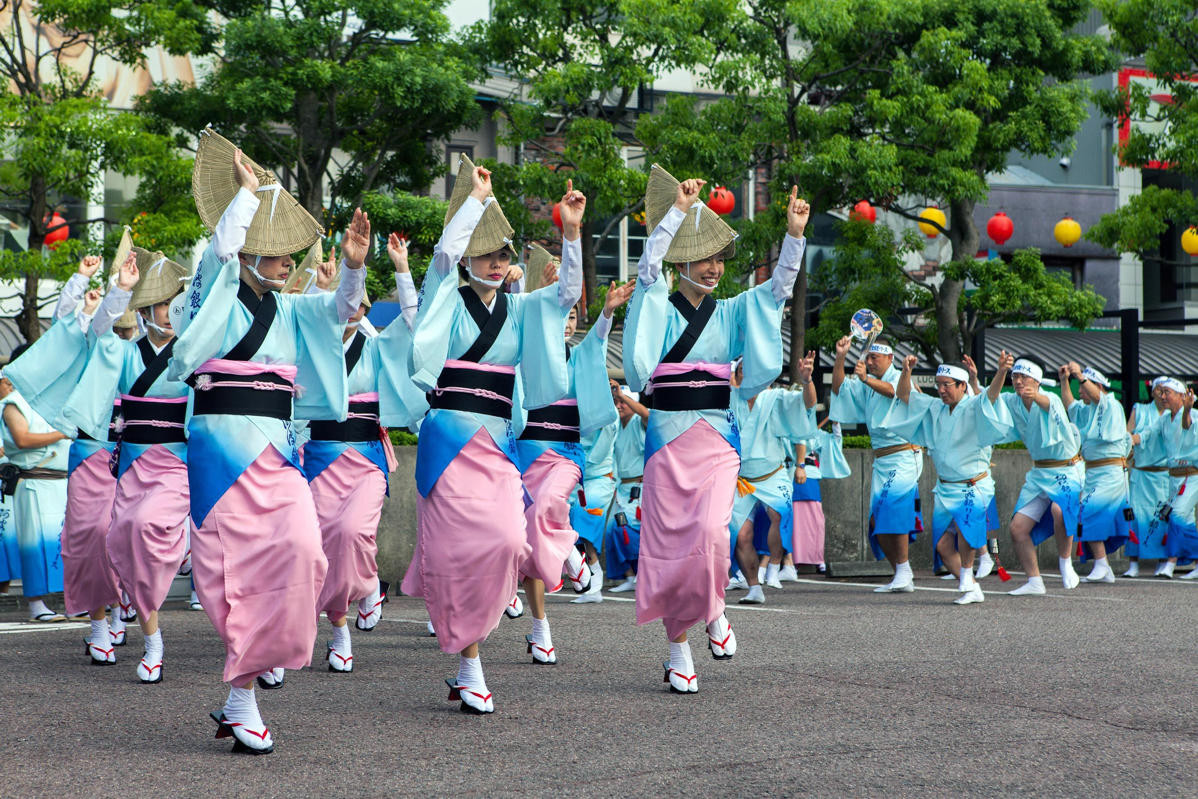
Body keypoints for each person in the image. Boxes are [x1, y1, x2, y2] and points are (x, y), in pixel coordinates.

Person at [169, 130, 365, 753]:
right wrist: (247, 198)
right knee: (230, 572)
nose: (287, 263)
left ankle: (247, 684)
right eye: (277, 254)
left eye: (288, 255)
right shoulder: (216, 290)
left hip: (278, 453)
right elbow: (218, 256)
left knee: (306, 552)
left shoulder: (291, 309)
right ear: (250, 250)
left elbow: (341, 311)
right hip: (221, 451)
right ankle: (243, 696)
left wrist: (354, 268)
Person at [401, 156, 581, 714]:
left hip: (499, 444)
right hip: (448, 443)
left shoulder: (521, 309)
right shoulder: (445, 298)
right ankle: (470, 665)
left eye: (504, 254)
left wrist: (572, 233)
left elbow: (568, 294)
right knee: (455, 553)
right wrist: (475, 202)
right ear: (468, 260)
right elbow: (442, 257)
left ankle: (477, 648)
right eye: (486, 254)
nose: (498, 263)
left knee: (507, 541)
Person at [622, 165, 807, 693]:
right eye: (705, 258)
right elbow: (648, 269)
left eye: (720, 260)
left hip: (718, 438)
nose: (714, 268)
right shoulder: (657, 304)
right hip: (667, 438)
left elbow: (776, 291)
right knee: (668, 546)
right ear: (681, 259)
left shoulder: (731, 310)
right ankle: (677, 649)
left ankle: (715, 605)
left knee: (709, 534)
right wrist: (677, 212)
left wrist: (793, 237)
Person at [61, 244, 195, 682]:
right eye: (162, 305)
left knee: (143, 526)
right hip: (131, 465)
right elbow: (99, 331)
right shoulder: (123, 352)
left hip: (176, 463)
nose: (170, 314)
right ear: (146, 310)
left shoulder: (193, 355)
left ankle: (182, 544)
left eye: (175, 305)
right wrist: (120, 289)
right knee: (115, 538)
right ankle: (148, 636)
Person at [514, 244, 630, 662]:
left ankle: (571, 553)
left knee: (546, 507)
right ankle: (540, 628)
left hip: (564, 454)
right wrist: (523, 289)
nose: (566, 323)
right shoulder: (521, 352)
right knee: (528, 535)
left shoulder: (579, 356)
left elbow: (596, 342)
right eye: (560, 315)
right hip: (525, 453)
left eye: (572, 318)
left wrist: (606, 313)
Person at [879, 357, 1013, 605]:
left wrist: (1002, 371)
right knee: (942, 545)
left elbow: (992, 396)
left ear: (962, 385)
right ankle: (972, 587)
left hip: (972, 485)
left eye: (947, 385)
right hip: (945, 487)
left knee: (965, 530)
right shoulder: (934, 407)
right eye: (938, 384)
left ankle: (967, 574)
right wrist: (906, 371)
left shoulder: (974, 405)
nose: (941, 390)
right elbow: (904, 396)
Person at [978, 353, 1084, 596]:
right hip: (1039, 473)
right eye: (1015, 376)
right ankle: (1034, 580)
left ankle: (1065, 562)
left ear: (1036, 380)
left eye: (1024, 377)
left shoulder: (1050, 398)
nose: (1018, 381)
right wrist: (987, 375)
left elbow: (1049, 405)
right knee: (1017, 528)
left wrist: (1035, 396)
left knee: (1060, 510)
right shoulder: (1012, 401)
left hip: (1066, 470)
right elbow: (987, 398)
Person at [830, 338, 923, 594]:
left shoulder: (900, 376)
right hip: (882, 459)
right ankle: (902, 571)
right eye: (868, 357)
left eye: (875, 358)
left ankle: (904, 570)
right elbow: (839, 389)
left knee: (893, 510)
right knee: (875, 521)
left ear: (890, 358)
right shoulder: (867, 382)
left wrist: (865, 379)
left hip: (904, 455)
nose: (870, 362)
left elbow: (895, 392)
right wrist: (841, 357)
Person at [728, 353, 819, 605]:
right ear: (737, 375)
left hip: (772, 474)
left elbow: (807, 404)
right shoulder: (730, 398)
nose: (748, 374)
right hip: (741, 480)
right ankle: (753, 586)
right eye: (743, 370)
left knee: (779, 516)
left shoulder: (774, 398)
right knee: (742, 535)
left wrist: (807, 380)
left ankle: (774, 565)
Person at [0, 371, 71, 621]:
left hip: (60, 482)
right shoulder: (13, 404)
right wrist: (61, 434)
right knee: (32, 545)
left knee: (66, 544)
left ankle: (75, 603)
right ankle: (36, 605)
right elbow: (22, 439)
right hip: (32, 483)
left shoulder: (54, 399)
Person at [1059, 363, 1132, 584]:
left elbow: (1097, 397)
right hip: (1093, 472)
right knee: (1087, 513)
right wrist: (1064, 381)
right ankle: (1103, 566)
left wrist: (1079, 375)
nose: (1080, 391)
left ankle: (1101, 564)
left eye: (1083, 387)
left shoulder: (1111, 404)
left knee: (1087, 512)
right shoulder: (1087, 409)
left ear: (1097, 386)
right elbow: (1070, 405)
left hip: (1110, 472)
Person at [1123, 377, 1182, 577]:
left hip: (1163, 475)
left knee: (1162, 518)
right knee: (1135, 517)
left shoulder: (1173, 415)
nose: (1162, 395)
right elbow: (1128, 433)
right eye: (1159, 390)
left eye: (1166, 391)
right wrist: (1127, 445)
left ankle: (1163, 561)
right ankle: (1133, 563)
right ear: (1153, 391)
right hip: (1141, 473)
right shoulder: (1139, 409)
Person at [606, 381, 648, 594]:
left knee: (625, 528)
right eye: (617, 402)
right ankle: (630, 576)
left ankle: (642, 573)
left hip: (639, 490)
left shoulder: (639, 422)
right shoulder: (616, 426)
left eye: (623, 402)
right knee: (612, 530)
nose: (619, 406)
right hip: (622, 489)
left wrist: (623, 395)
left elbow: (648, 415)